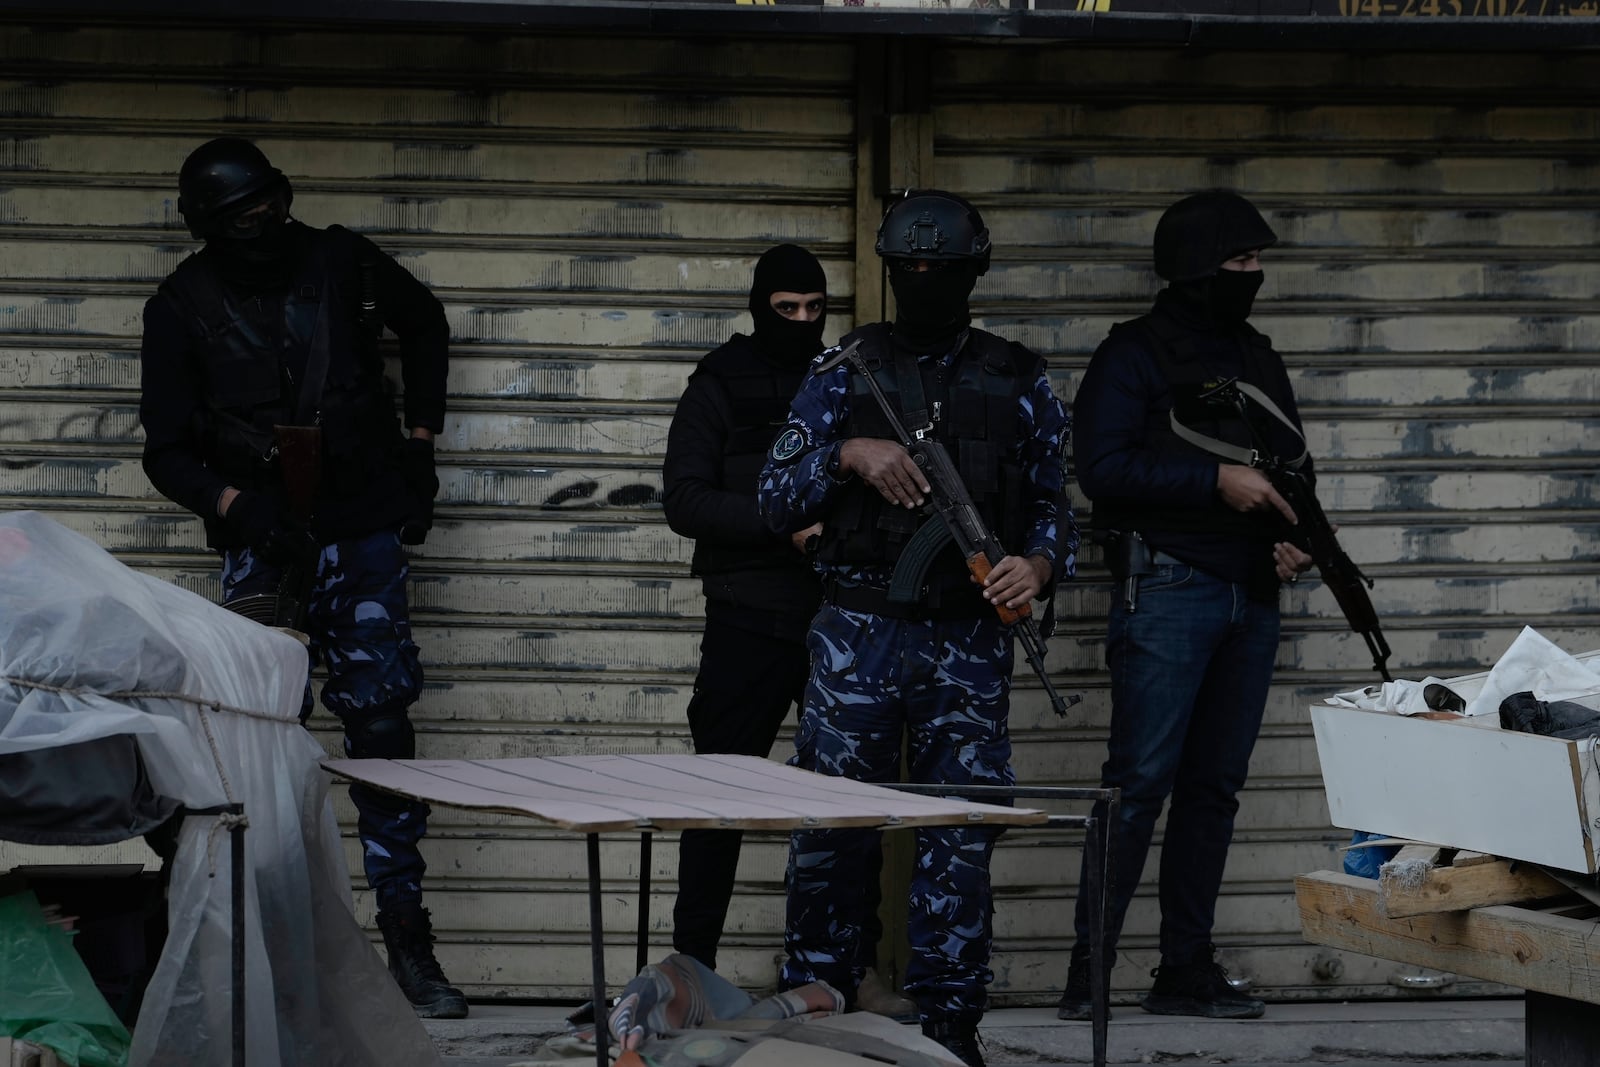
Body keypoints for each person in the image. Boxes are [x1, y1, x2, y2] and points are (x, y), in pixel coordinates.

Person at [138, 137, 466, 1019]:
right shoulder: (180, 308)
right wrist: (239, 502)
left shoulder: (339, 259)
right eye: (245, 217)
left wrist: (421, 448)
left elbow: (425, 324)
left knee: (383, 732)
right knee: (258, 748)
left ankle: (408, 943)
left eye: (272, 204)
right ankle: (270, 950)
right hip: (266, 547)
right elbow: (164, 450)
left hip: (361, 531)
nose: (266, 224)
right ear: (210, 226)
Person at [757, 190, 1076, 1067]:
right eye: (911, 271)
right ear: (892, 275)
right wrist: (848, 456)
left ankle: (950, 1033)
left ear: (975, 272)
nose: (925, 283)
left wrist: (1036, 567)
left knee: (959, 839)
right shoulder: (843, 371)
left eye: (942, 270)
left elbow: (1055, 509)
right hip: (858, 633)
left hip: (967, 642)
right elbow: (773, 496)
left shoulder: (1020, 379)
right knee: (830, 833)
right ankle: (819, 1025)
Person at [1056, 190, 1314, 1023]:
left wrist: (1294, 533)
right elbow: (1101, 469)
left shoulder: (1257, 354)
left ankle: (1184, 970)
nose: (1254, 276)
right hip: (1168, 587)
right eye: (1240, 263)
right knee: (1137, 787)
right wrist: (1214, 480)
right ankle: (1086, 976)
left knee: (1214, 790)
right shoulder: (1131, 355)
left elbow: (1290, 466)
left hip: (1253, 593)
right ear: (1199, 268)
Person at [662, 244, 913, 1018]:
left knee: (849, 804)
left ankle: (848, 971)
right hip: (748, 617)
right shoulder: (720, 381)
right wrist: (783, 526)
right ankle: (689, 976)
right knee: (718, 802)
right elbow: (686, 500)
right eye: (787, 310)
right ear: (759, 305)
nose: (803, 324)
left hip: (845, 616)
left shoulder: (847, 374)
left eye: (815, 309)